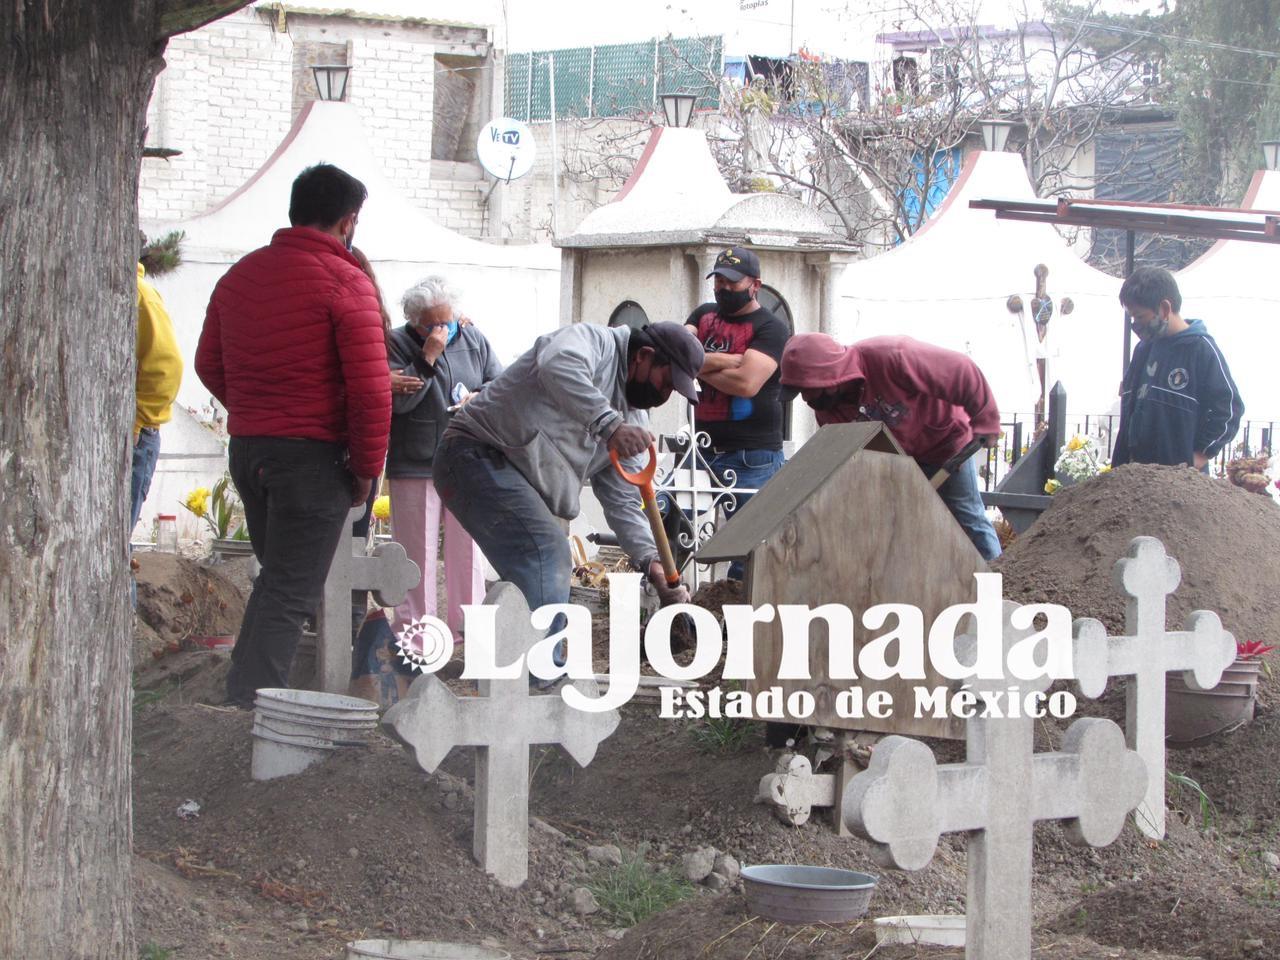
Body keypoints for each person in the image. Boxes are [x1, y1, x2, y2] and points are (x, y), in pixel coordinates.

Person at [195, 163, 391, 707]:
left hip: (252, 449)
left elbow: (208, 362)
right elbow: (372, 391)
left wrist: (259, 411)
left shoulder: (241, 275)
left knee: (277, 578)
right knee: (291, 588)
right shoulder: (346, 281)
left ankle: (239, 696)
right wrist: (365, 469)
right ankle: (256, 712)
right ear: (349, 221)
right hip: (312, 457)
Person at [433, 322, 703, 658]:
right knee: (545, 554)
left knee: (533, 570)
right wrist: (610, 425)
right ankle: (540, 678)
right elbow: (556, 364)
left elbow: (624, 503)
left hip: (513, 477)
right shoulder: (594, 343)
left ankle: (509, 679)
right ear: (643, 356)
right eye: (666, 383)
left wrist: (652, 563)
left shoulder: (634, 422)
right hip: (473, 453)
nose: (664, 397)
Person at [780, 333, 1004, 561]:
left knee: (967, 516)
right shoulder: (828, 410)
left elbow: (961, 370)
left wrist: (986, 420)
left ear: (829, 375)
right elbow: (852, 455)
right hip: (899, 461)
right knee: (902, 528)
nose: (805, 397)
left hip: (945, 444)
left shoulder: (893, 356)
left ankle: (1000, 581)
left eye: (808, 387)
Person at [386, 276, 502, 643]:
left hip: (467, 457)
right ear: (416, 323)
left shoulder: (473, 338)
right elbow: (399, 401)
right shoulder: (396, 343)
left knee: (468, 550)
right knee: (416, 554)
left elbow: (499, 385)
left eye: (448, 320)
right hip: (415, 461)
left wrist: (478, 398)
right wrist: (427, 358)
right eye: (434, 324)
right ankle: (416, 639)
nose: (444, 329)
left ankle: (470, 633)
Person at [685, 246, 789, 577]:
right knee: (674, 534)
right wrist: (726, 360)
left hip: (751, 455)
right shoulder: (702, 315)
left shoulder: (771, 328)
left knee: (751, 550)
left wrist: (696, 361)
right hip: (699, 449)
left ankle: (736, 623)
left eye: (732, 282)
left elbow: (747, 383)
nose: (724, 288)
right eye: (718, 280)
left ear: (754, 284)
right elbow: (674, 352)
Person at [1112, 266, 1243, 470]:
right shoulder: (1142, 350)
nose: (1135, 325)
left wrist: (1201, 454)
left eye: (1139, 317)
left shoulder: (1201, 349)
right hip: (1133, 478)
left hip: (1179, 482)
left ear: (1164, 308)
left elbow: (1230, 408)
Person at [131, 256, 183, 603]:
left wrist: (134, 424)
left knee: (109, 547)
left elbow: (166, 370)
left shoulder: (139, 296)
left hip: (134, 438)